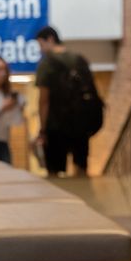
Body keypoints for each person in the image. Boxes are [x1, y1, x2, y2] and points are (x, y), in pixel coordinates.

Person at [35, 25, 93, 177]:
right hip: (81, 122)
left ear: (50, 39)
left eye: (41, 44)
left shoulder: (47, 64)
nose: (41, 49)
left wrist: (43, 128)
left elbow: (44, 100)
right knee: (81, 168)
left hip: (56, 124)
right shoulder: (79, 59)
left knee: (54, 171)